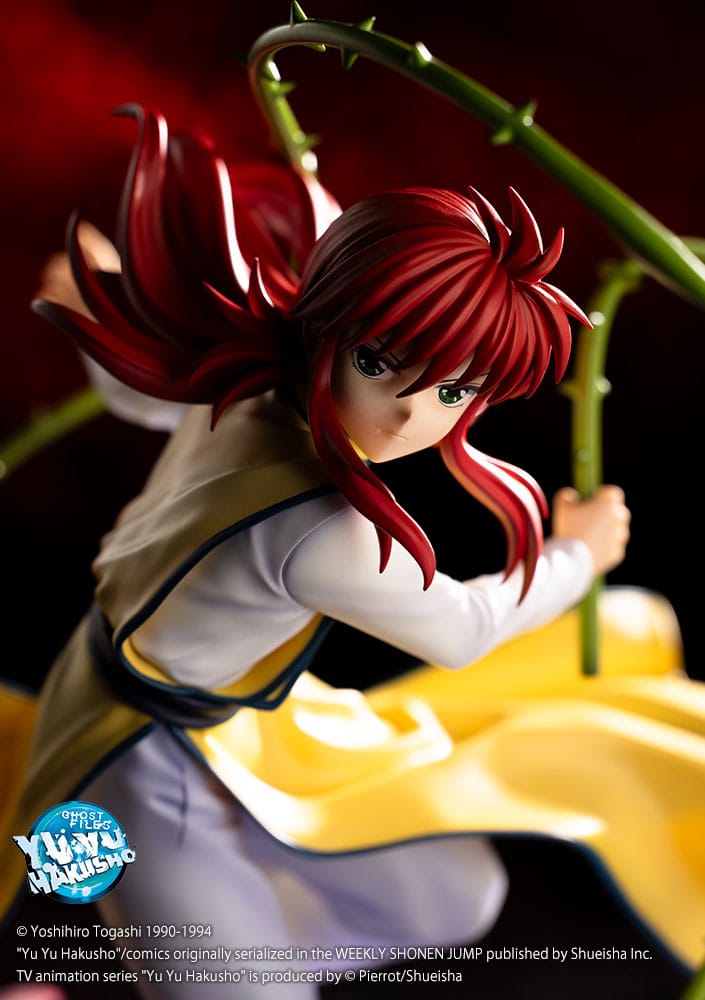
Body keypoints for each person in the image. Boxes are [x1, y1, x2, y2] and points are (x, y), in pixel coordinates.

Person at [3, 104, 635, 997]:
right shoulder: (318, 525)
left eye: (455, 391)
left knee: (452, 895)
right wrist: (575, 555)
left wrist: (99, 300)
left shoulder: (248, 373)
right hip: (135, 759)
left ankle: (218, 957)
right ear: (327, 321)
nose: (407, 415)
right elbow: (461, 630)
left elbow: (143, 396)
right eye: (379, 362)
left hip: (244, 726)